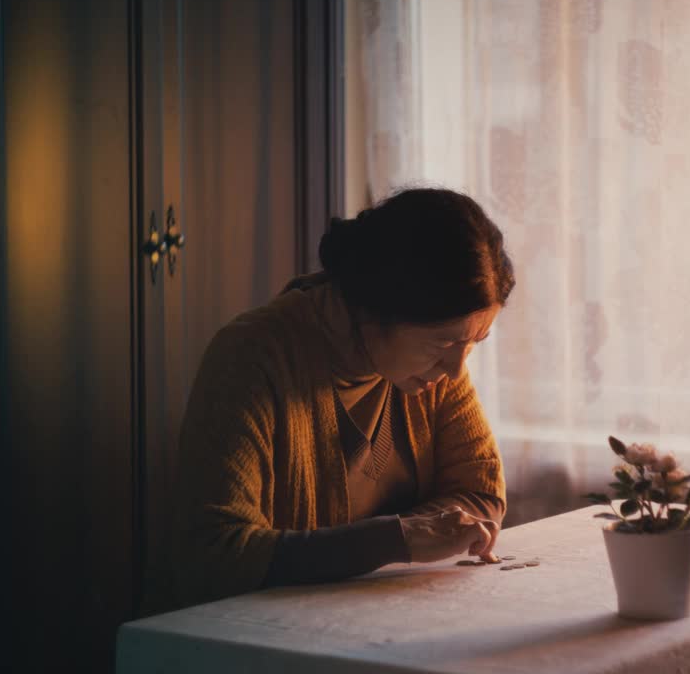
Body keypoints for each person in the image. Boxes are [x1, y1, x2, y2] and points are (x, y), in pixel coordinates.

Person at [171, 187, 514, 606]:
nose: (456, 370)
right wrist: (393, 540)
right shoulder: (251, 356)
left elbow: (481, 495)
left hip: (368, 618)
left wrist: (400, 539)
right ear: (377, 307)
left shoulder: (431, 369)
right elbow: (217, 551)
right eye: (442, 344)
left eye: (475, 342)